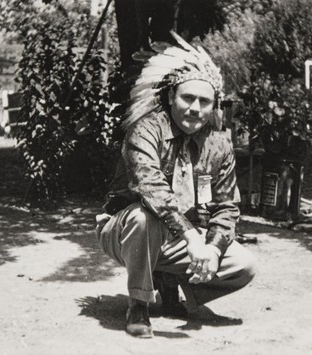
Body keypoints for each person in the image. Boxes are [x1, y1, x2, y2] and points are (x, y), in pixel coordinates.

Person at [95, 32, 256, 338]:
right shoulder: (144, 130)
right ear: (171, 97)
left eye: (204, 101)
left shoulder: (219, 145)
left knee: (243, 264)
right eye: (187, 98)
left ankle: (173, 290)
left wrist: (211, 248)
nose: (195, 108)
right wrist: (193, 238)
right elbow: (150, 188)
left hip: (182, 239)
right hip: (125, 230)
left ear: (214, 106)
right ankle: (139, 303)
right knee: (146, 218)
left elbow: (227, 206)